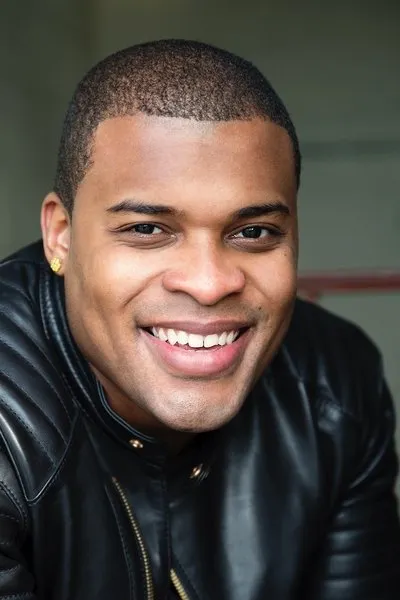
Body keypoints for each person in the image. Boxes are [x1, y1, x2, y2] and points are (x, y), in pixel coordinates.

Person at [0, 39, 399, 600]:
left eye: (253, 232)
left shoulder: (334, 387)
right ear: (60, 235)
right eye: (147, 230)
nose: (210, 284)